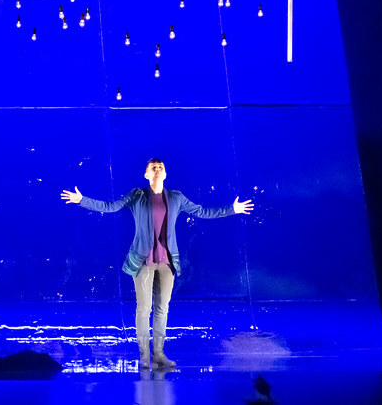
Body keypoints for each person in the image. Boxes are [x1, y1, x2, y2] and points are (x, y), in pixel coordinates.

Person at [61, 158, 254, 369]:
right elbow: (110, 206)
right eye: (153, 166)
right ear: (146, 175)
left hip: (167, 263)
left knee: (162, 310)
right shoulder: (137, 196)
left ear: (165, 173)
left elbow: (202, 211)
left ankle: (159, 355)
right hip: (142, 261)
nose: (157, 168)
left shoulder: (176, 197)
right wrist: (82, 200)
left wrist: (232, 209)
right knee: (143, 310)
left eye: (161, 166)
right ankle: (144, 357)